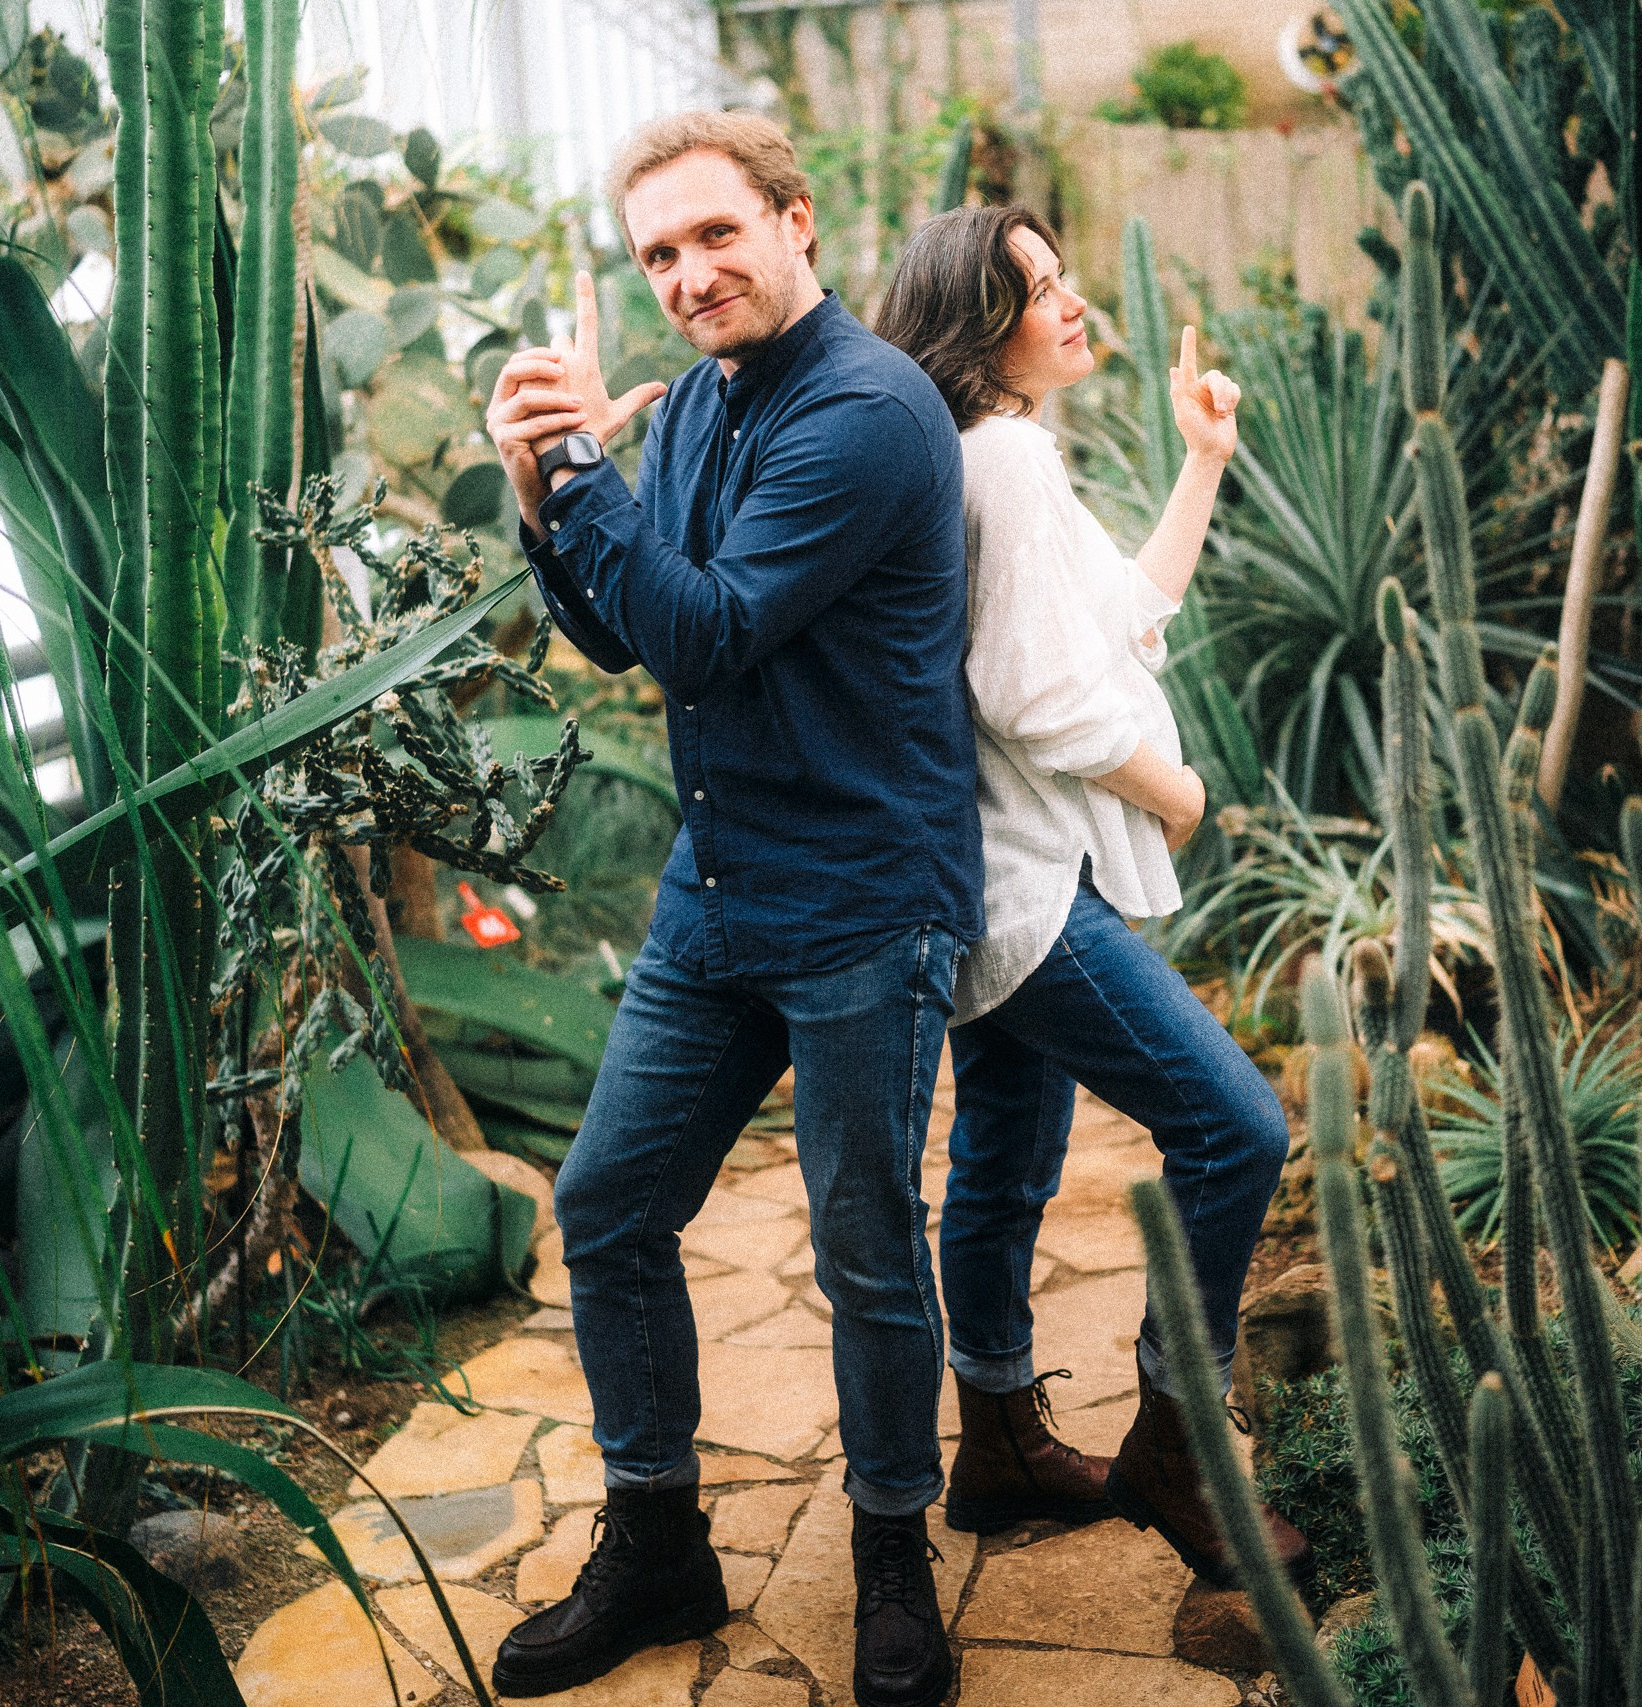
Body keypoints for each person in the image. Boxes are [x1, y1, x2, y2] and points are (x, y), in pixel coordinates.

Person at [481, 112, 978, 1706]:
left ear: (796, 220)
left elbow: (707, 633)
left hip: (859, 899)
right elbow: (630, 634)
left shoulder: (872, 414)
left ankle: (893, 1556)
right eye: (658, 256)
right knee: (610, 1207)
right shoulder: (695, 411)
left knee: (864, 1251)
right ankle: (657, 1540)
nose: (688, 276)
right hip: (718, 895)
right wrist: (542, 497)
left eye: (714, 236)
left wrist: (578, 463)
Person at [873, 206, 1307, 1587]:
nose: (1067, 304)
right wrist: (1171, 793)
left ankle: (996, 1440)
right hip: (1028, 890)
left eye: (1062, 277)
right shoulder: (1000, 457)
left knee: (1001, 1161)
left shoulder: (994, 458)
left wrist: (1202, 462)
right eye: (1034, 287)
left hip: (992, 875)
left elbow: (1118, 615)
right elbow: (1034, 691)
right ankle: (1176, 1448)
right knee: (1239, 1130)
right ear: (972, 321)